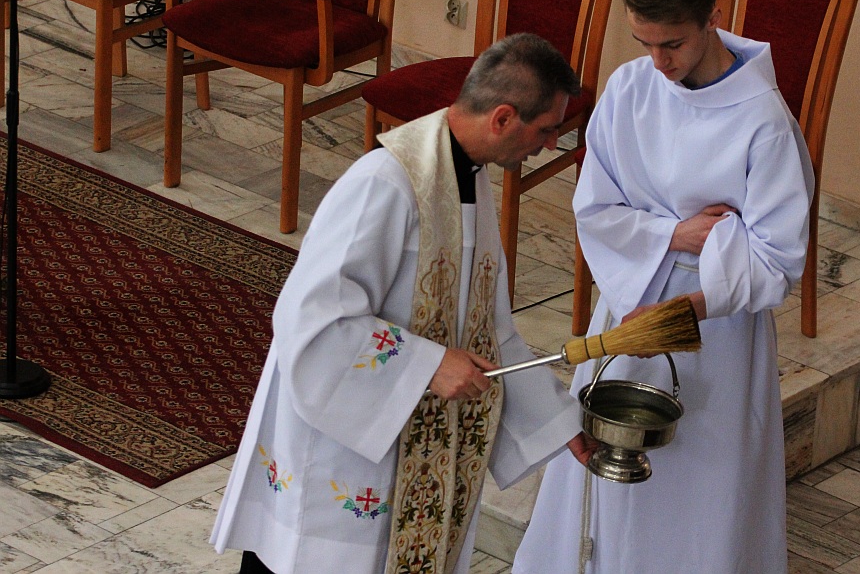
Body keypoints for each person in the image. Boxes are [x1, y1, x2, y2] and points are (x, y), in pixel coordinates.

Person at [211, 33, 598, 574]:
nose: (550, 145)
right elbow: (312, 319)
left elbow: (487, 330)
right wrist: (428, 364)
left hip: (405, 446)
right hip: (342, 447)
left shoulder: (470, 181)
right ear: (503, 117)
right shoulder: (384, 182)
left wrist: (563, 424)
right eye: (547, 129)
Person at [512, 0, 814, 573]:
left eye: (672, 43)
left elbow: (779, 262)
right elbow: (594, 208)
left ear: (712, 18)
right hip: (631, 302)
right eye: (644, 42)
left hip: (719, 328)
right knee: (604, 485)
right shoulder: (630, 88)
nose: (660, 63)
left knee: (703, 491)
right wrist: (678, 235)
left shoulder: (765, 123)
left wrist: (685, 310)